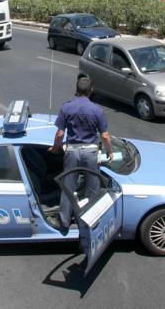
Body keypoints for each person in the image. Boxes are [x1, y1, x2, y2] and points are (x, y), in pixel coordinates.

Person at [48, 74, 112, 233]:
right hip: (90, 152)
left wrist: (55, 148)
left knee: (68, 186)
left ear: (76, 90)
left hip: (72, 151)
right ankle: (92, 221)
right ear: (91, 91)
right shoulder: (97, 110)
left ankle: (64, 221)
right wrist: (109, 152)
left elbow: (60, 134)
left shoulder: (66, 107)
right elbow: (104, 135)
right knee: (93, 187)